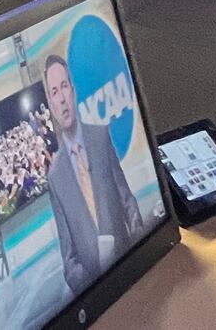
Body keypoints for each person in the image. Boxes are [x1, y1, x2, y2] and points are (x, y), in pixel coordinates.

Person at [45, 53, 144, 295]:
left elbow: (127, 201)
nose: (61, 99)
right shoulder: (55, 178)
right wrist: (94, 291)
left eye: (64, 87)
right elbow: (69, 263)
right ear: (50, 104)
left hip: (131, 272)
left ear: (74, 91)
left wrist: (141, 249)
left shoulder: (100, 137)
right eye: (54, 92)